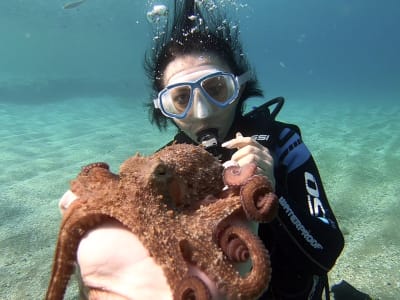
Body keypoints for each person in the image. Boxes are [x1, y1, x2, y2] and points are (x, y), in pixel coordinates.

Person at [59, 1, 344, 299]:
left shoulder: (283, 143)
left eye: (217, 89)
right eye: (181, 99)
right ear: (164, 109)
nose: (203, 112)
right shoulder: (163, 167)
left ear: (239, 89)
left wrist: (273, 194)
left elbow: (325, 252)